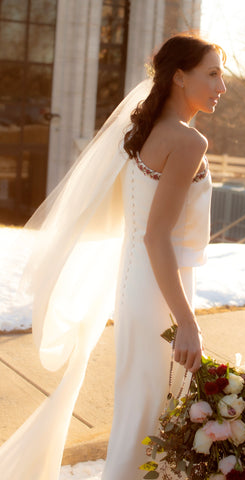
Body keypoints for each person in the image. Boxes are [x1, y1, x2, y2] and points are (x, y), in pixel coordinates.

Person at [0, 32, 226, 480]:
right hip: (163, 291)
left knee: (142, 420)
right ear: (180, 77)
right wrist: (186, 321)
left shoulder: (146, 132)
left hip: (139, 286)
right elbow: (156, 235)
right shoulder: (186, 142)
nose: (222, 87)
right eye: (213, 74)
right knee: (153, 424)